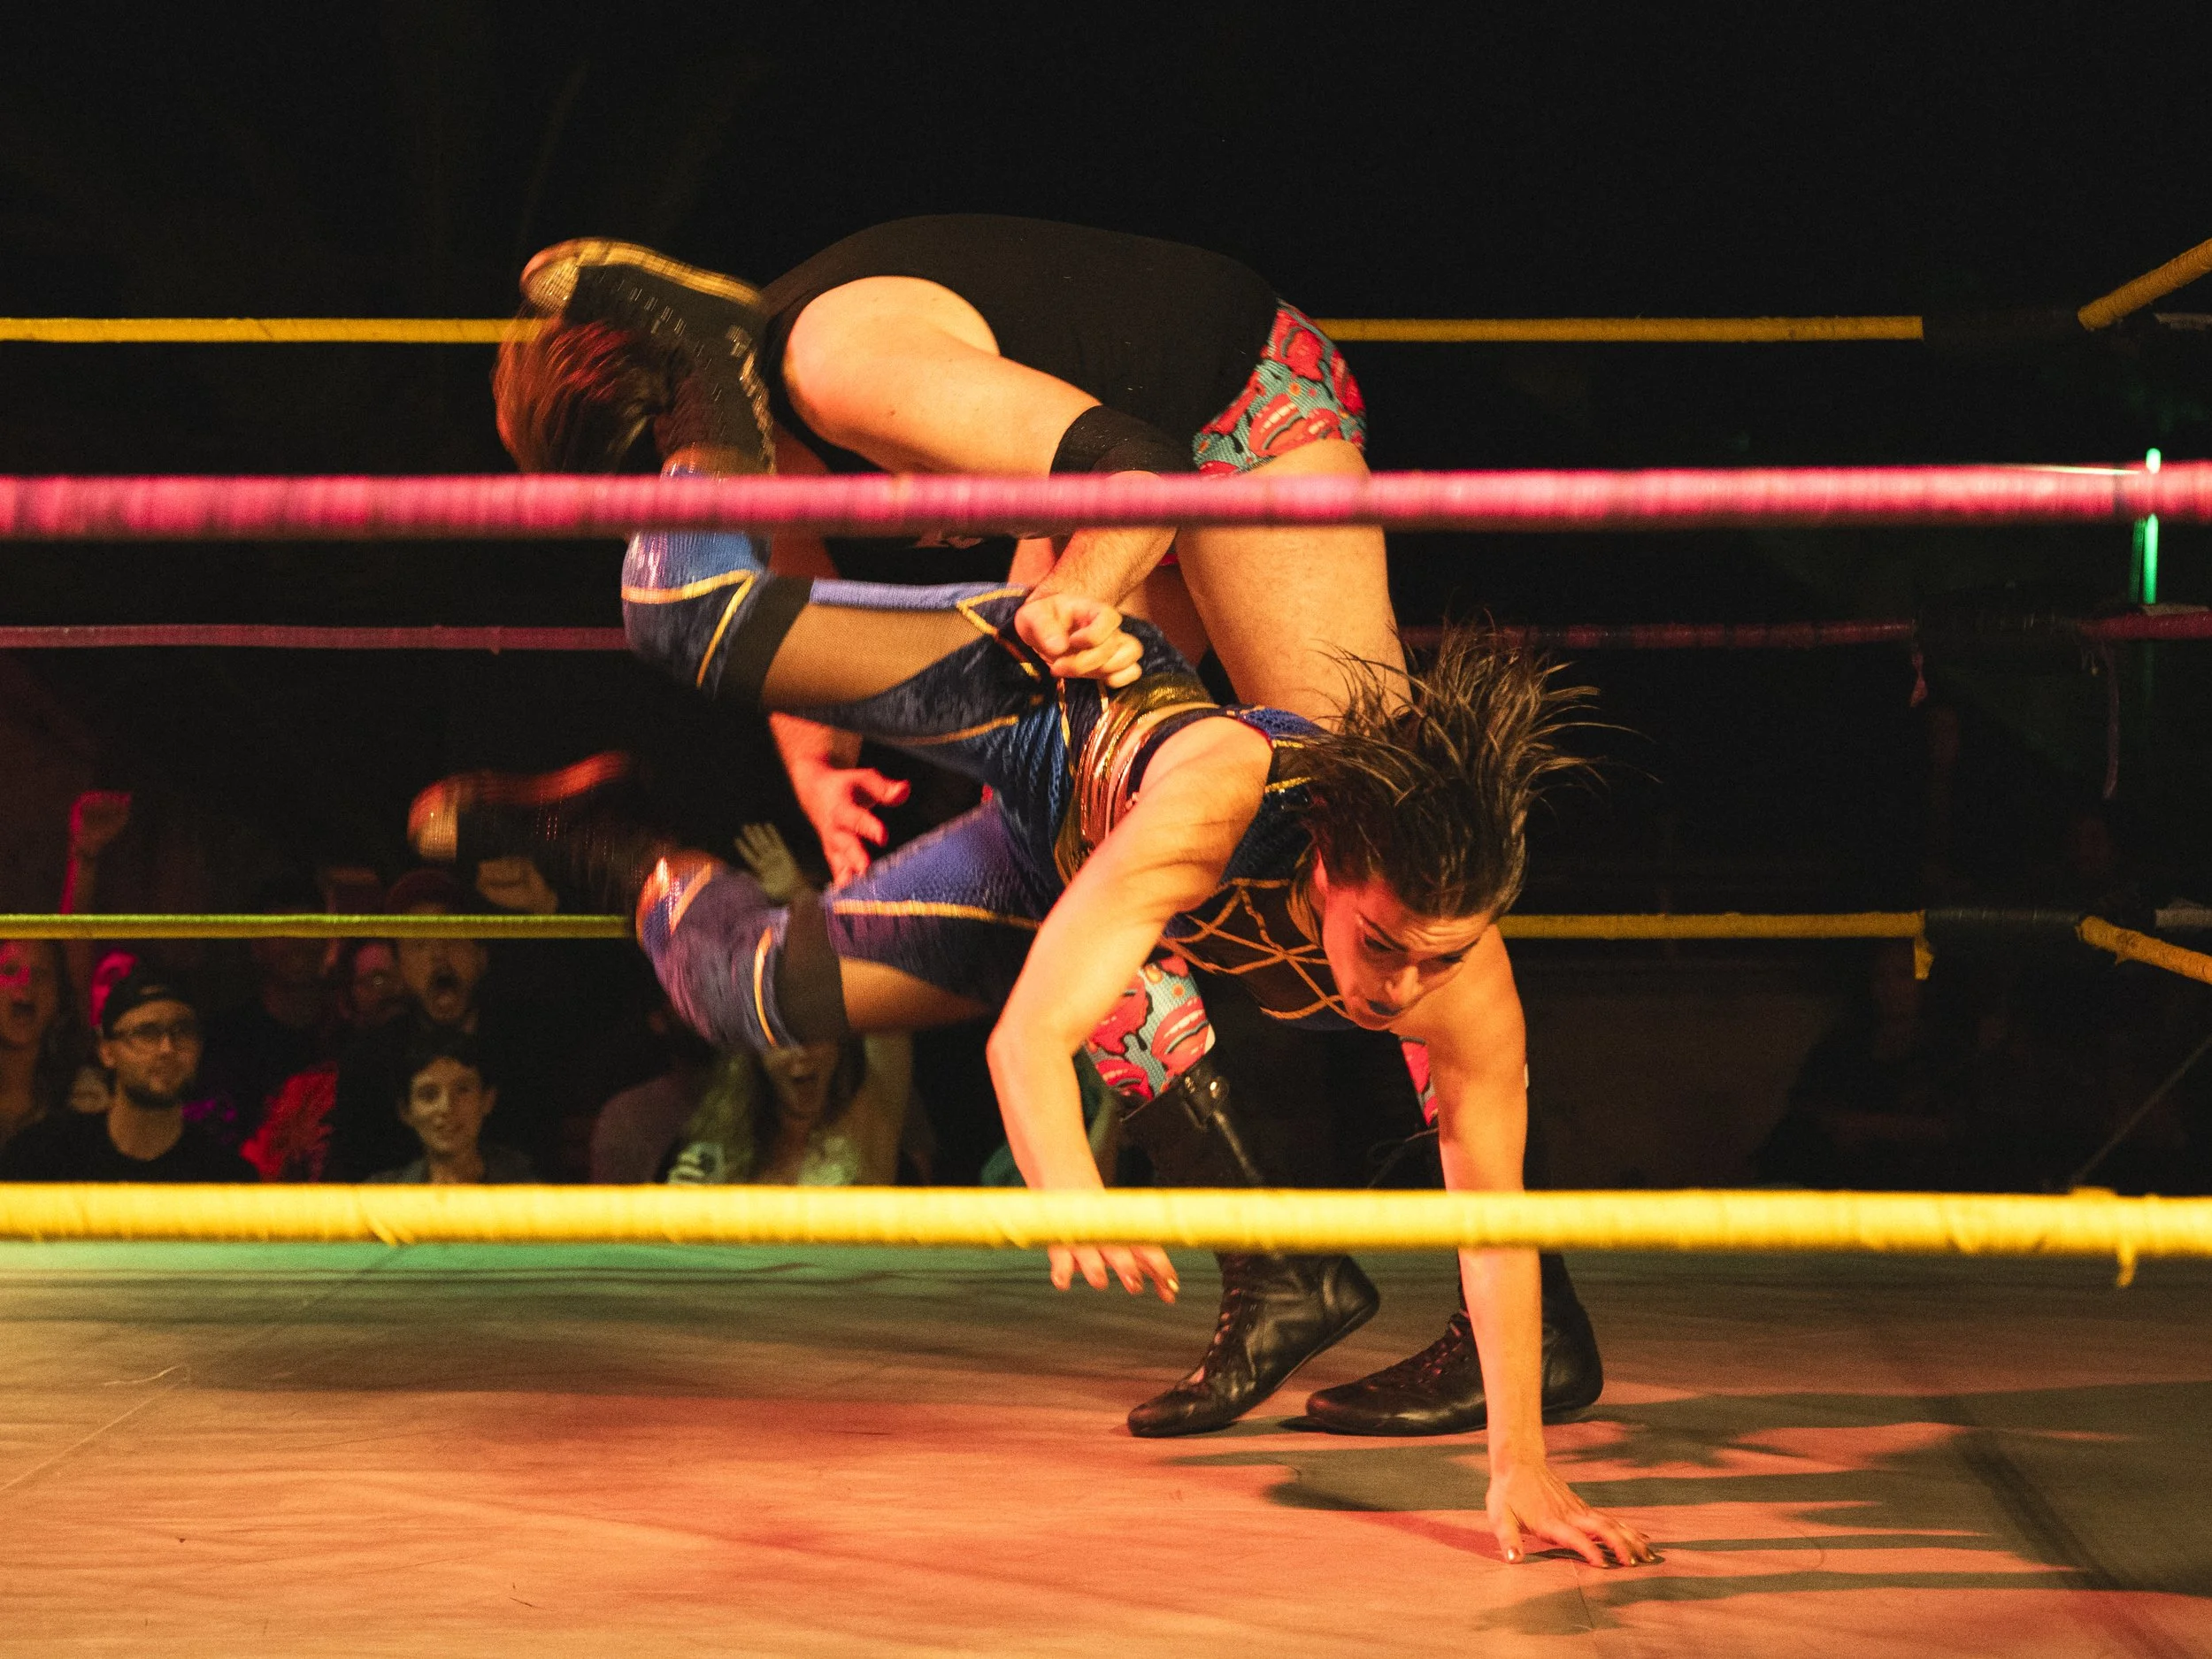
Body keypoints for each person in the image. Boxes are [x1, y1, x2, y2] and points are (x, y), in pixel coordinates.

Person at [494, 224, 1605, 1437]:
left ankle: (1522, 1322)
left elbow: (1139, 470)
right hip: (1098, 613)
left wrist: (1082, 591)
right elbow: (796, 559)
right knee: (1121, 863)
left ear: (685, 405)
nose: (684, 479)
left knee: (1383, 796)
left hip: (1229, 411)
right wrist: (819, 762)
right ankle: (1274, 1262)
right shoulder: (774, 434)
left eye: (673, 456)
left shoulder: (832, 358)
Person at [409, 567, 1651, 1567]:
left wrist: (1519, 1463)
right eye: (1383, 943)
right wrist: (1065, 1175)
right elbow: (1030, 1037)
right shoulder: (1225, 798)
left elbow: (1491, 1217)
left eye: (1439, 955)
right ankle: (700, 382)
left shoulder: (1463, 982)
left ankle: (589, 841)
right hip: (1046, 715)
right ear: (1327, 858)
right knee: (694, 611)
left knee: (746, 991)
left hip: (1057, 880)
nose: (1403, 989)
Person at [0, 966, 254, 1183]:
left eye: (182, 1031)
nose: (167, 1048)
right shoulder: (40, 1157)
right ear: (107, 1051)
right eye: (146, 1033)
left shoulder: (228, 1178)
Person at [196, 875, 344, 1152]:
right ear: (257, 945)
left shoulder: (350, 1038)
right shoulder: (223, 1041)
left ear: (327, 941)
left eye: (308, 929)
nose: (297, 943)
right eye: (283, 931)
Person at [365, 1029, 534, 1185]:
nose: (446, 1107)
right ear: (405, 1111)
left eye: (462, 1090)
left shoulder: (527, 1193)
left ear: (487, 1100)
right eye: (429, 1095)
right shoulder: (382, 1196)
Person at [0, 938, 84, 1154]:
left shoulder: (83, 1098)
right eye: (10, 971)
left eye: (40, 974)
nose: (26, 982)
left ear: (59, 997)